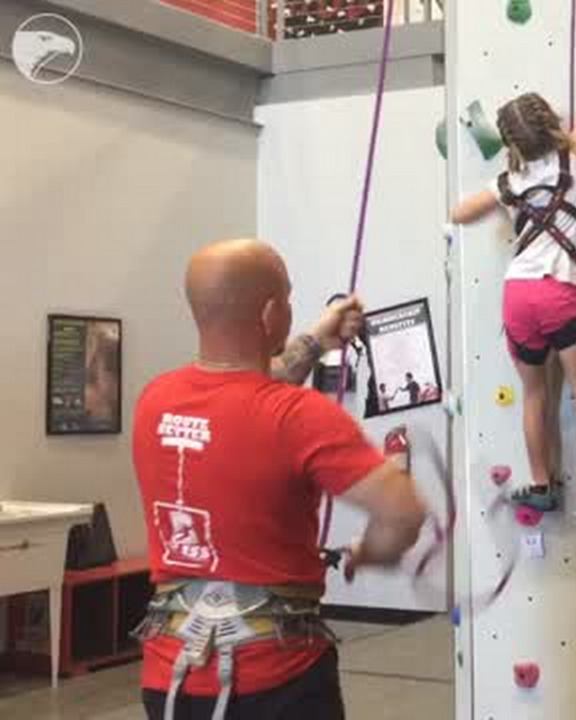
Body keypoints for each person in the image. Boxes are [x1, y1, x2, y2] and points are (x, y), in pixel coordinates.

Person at [132, 239, 429, 720]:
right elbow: (403, 511)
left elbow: (245, 388)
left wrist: (317, 339)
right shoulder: (300, 415)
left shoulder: (156, 400)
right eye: (288, 298)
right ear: (271, 313)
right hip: (276, 685)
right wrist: (371, 551)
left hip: (172, 681)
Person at [449, 16, 576, 520]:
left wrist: (499, 184)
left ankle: (540, 484)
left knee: (534, 392)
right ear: (552, 124)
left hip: (517, 297)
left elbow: (459, 213)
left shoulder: (509, 180)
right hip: (559, 292)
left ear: (513, 142)